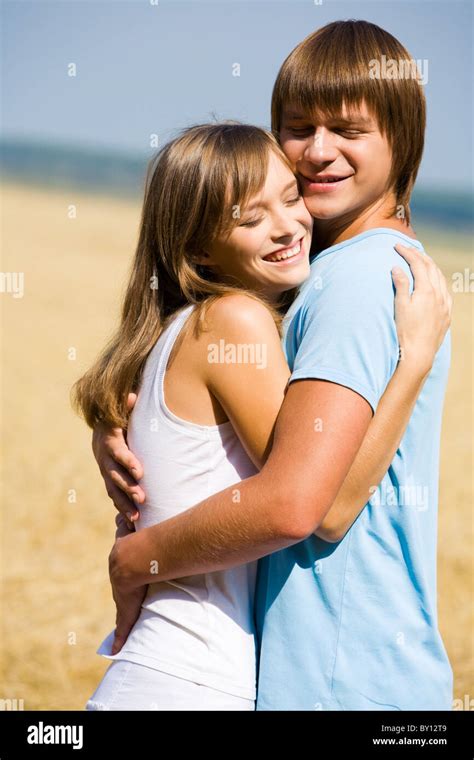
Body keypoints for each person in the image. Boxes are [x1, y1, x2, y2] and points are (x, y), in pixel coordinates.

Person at [89, 21, 453, 710]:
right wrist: (119, 430)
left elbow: (305, 505)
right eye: (297, 126)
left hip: (340, 679)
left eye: (348, 129)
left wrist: (140, 554)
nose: (317, 152)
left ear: (402, 136)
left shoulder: (355, 281)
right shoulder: (304, 285)